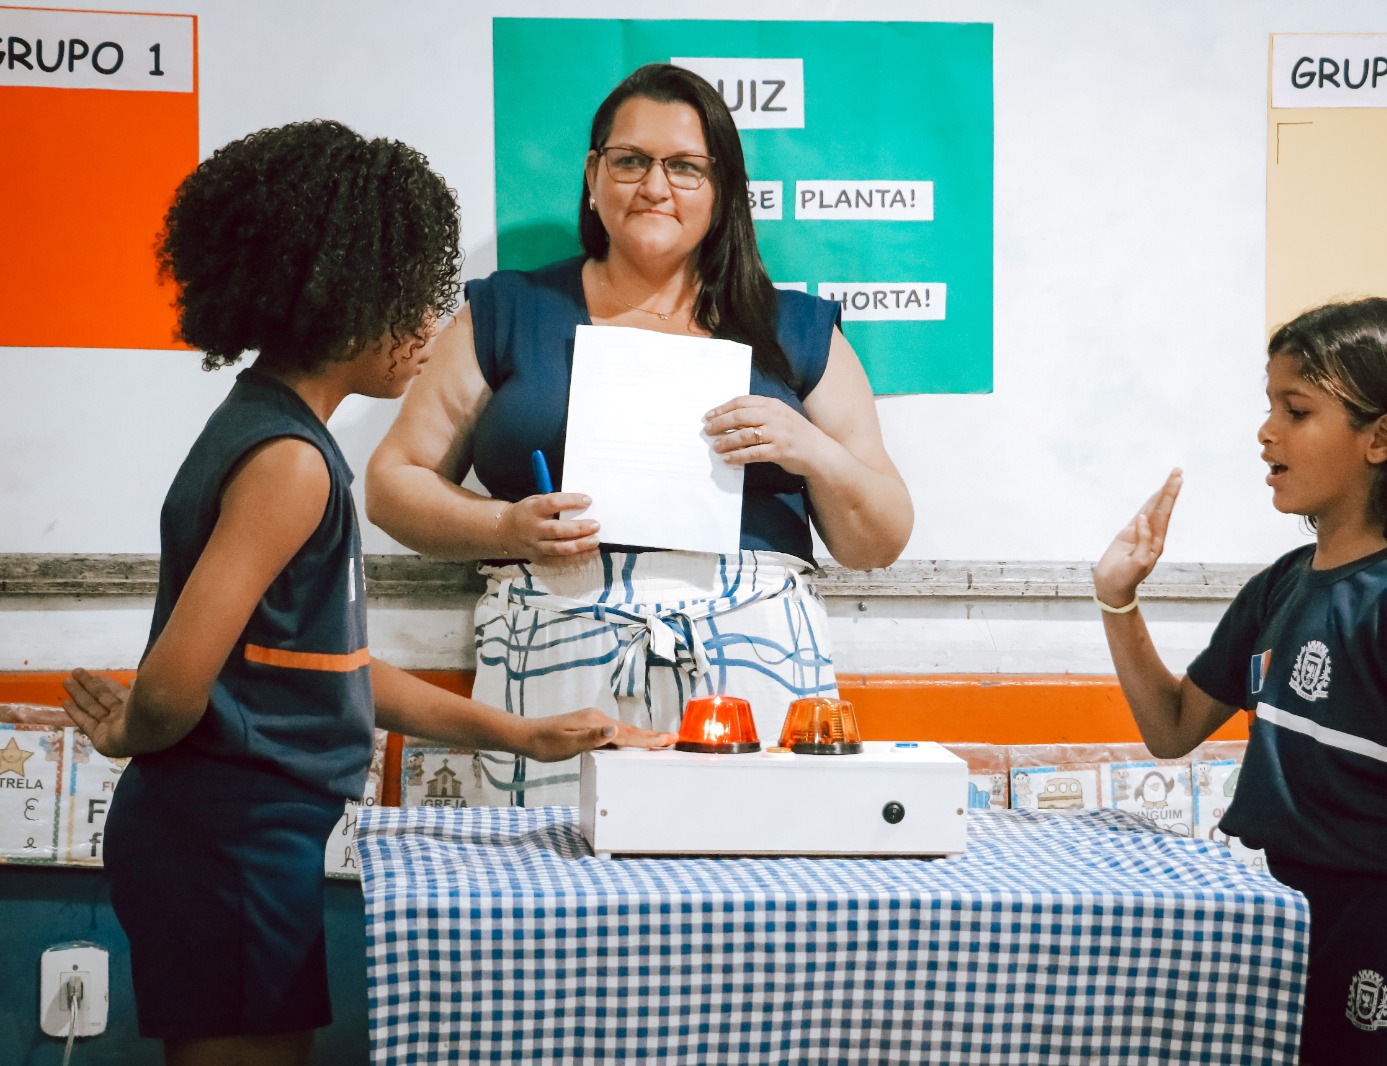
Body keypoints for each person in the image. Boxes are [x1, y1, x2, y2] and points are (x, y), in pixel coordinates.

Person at [60, 120, 674, 1066]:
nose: (428, 331)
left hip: (238, 841)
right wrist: (126, 731)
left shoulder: (273, 436)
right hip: (227, 843)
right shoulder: (289, 467)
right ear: (336, 298)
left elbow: (326, 668)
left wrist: (523, 733)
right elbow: (178, 689)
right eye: (407, 300)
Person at [366, 63, 912, 804]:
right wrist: (506, 524)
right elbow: (393, 482)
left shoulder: (795, 329)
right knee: (551, 888)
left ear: (723, 190)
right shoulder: (509, 311)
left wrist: (808, 448)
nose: (655, 186)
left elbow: (877, 539)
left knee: (751, 895)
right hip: (555, 655)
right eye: (630, 161)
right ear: (593, 175)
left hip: (754, 661)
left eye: (686, 167)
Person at [1092, 298, 1387, 1065]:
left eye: (1295, 410)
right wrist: (1116, 597)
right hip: (1293, 926)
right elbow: (1170, 728)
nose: (1266, 432)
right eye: (1269, 407)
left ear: (1382, 438)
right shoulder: (1283, 585)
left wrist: (1386, 825)